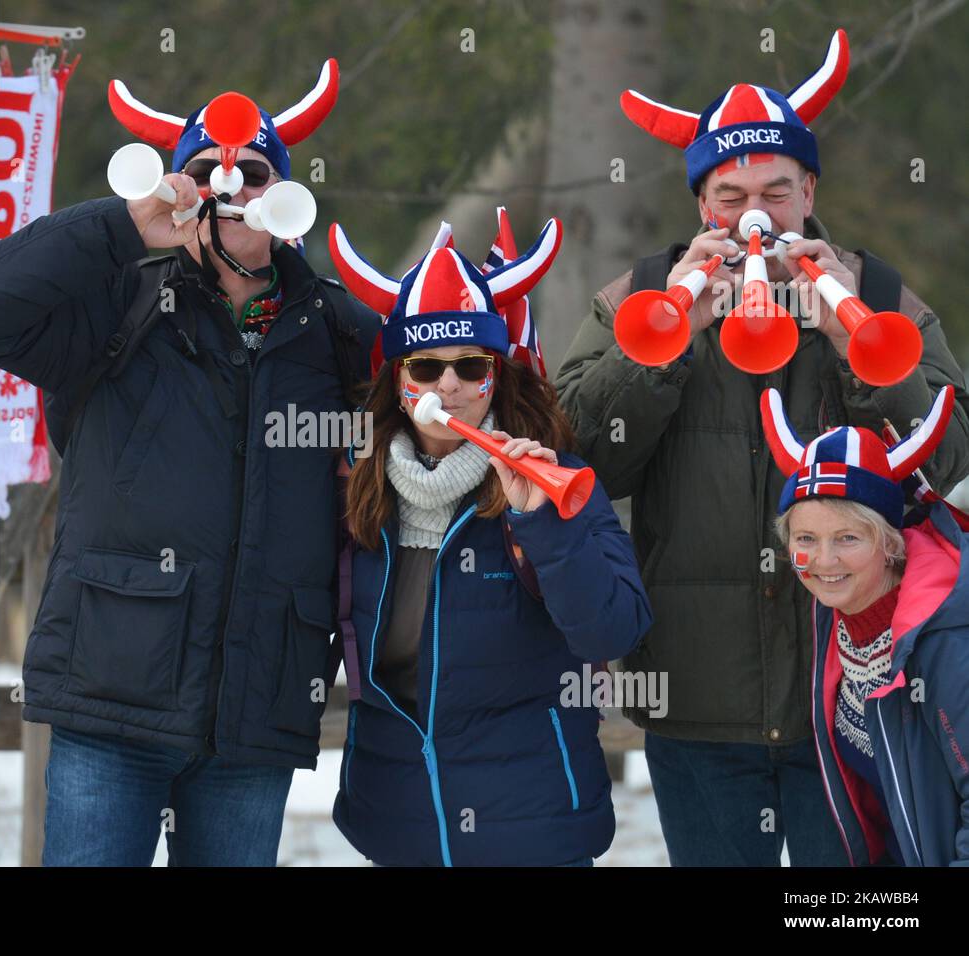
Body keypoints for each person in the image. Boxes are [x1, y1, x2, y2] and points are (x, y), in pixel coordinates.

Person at [0, 59, 382, 866]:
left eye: (253, 173)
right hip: (113, 698)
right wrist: (122, 225)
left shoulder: (340, 333)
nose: (231, 188)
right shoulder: (120, 300)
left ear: (282, 195)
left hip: (258, 711)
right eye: (209, 172)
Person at [554, 29, 969, 865]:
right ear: (699, 204)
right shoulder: (637, 298)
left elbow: (950, 463)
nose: (755, 214)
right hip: (699, 700)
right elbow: (581, 463)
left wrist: (861, 342)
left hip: (852, 693)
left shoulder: (878, 294)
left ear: (809, 190)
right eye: (729, 193)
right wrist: (662, 346)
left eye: (776, 192)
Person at [325, 218, 652, 866]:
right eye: (426, 366)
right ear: (400, 380)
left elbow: (614, 631)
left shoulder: (558, 480)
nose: (448, 385)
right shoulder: (355, 492)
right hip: (397, 823)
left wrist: (546, 525)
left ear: (494, 377)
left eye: (469, 365)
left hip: (532, 829)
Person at [762, 384, 969, 866]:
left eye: (848, 537)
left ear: (891, 543)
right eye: (806, 538)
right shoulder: (835, 614)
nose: (824, 560)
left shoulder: (947, 639)